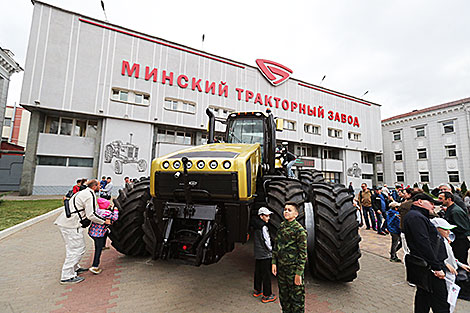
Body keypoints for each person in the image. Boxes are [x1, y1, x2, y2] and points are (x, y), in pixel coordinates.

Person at [54, 179, 110, 284]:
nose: (100, 187)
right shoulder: (90, 195)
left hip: (67, 223)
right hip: (72, 225)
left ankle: (75, 268)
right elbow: (91, 214)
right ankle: (67, 276)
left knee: (73, 247)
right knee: (77, 249)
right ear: (94, 187)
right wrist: (104, 221)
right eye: (99, 185)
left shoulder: (83, 192)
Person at [403, 193, 449, 313]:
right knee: (440, 303)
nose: (433, 206)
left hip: (428, 266)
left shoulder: (418, 216)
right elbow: (423, 244)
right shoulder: (416, 217)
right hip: (430, 268)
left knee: (424, 299)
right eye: (431, 203)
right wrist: (436, 267)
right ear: (419, 201)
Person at [272, 202, 307, 313]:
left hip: (293, 270)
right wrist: (274, 262)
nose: (286, 211)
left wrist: (298, 274)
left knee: (297, 301)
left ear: (296, 214)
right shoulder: (282, 226)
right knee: (284, 298)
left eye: (289, 210)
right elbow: (276, 245)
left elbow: (303, 254)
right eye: (285, 209)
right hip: (282, 269)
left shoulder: (299, 231)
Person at [431, 218, 470, 313]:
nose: (448, 232)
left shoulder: (445, 241)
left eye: (449, 229)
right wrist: (445, 264)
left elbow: (451, 256)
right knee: (445, 300)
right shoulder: (436, 242)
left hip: (452, 273)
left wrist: (460, 264)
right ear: (437, 229)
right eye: (445, 229)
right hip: (445, 274)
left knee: (451, 299)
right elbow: (433, 256)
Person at [251, 207, 276, 303]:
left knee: (258, 272)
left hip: (258, 253)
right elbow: (266, 240)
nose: (268, 218)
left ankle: (257, 290)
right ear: (261, 216)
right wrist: (271, 250)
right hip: (265, 254)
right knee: (266, 275)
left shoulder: (256, 225)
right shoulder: (263, 227)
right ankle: (267, 295)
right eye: (266, 216)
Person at [88, 198, 118, 274]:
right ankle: (95, 266)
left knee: (106, 232)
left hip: (92, 233)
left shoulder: (97, 211)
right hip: (99, 234)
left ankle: (103, 245)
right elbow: (115, 218)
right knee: (98, 249)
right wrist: (115, 210)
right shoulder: (106, 213)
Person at [438, 191, 470, 264]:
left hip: (460, 242)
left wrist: (446, 229)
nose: (439, 200)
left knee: (462, 264)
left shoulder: (455, 211)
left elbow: (464, 227)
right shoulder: (451, 209)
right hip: (456, 241)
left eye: (441, 198)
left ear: (448, 199)